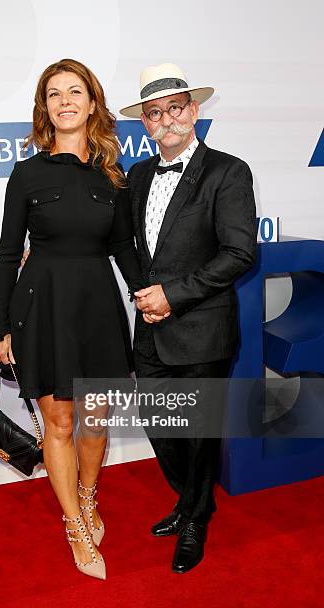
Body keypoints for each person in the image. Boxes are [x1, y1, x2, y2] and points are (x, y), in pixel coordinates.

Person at [0, 58, 142, 580]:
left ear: (93, 104)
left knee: (94, 421)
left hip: (96, 307)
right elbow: (8, 253)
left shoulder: (112, 175)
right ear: (44, 108)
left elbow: (123, 248)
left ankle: (88, 497)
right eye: (55, 94)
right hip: (42, 308)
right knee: (61, 421)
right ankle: (74, 523)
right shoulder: (26, 173)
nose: (65, 101)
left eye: (76, 92)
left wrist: (150, 293)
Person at [120, 63, 256, 573]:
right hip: (150, 330)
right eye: (153, 113)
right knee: (160, 424)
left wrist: (173, 296)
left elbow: (239, 253)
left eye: (174, 108)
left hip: (202, 326)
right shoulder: (136, 176)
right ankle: (193, 499)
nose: (165, 120)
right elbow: (130, 247)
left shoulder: (228, 171)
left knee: (200, 434)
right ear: (145, 123)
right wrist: (143, 293)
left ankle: (195, 516)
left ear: (194, 111)